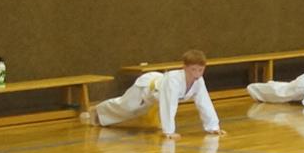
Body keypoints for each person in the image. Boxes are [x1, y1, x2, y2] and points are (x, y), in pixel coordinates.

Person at [82, 50, 222, 138]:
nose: (197, 74)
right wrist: (169, 131)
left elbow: (204, 102)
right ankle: (97, 110)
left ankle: (99, 114)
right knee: (127, 106)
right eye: (193, 70)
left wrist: (213, 127)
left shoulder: (199, 81)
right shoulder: (173, 81)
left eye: (200, 70)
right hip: (145, 87)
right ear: (184, 67)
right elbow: (169, 105)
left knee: (137, 111)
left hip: (156, 93)